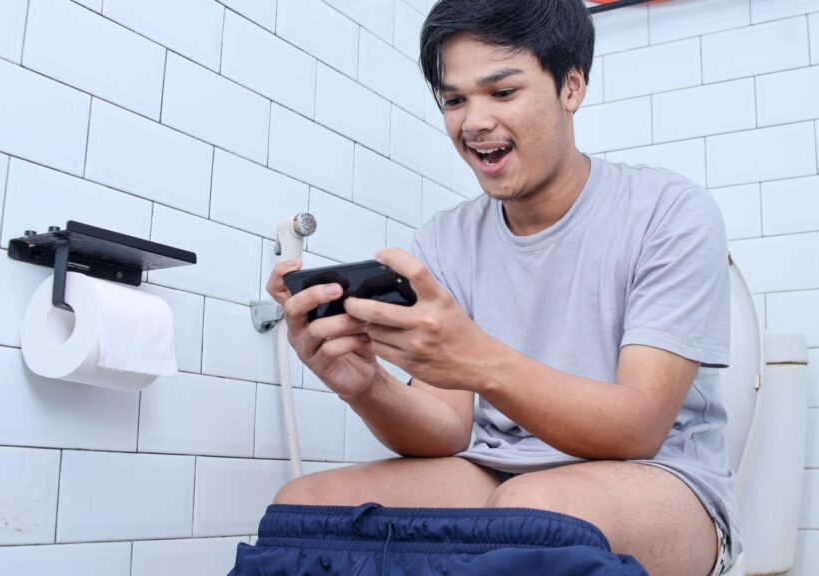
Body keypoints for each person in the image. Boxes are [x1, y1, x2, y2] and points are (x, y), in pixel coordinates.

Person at [267, 1, 737, 574]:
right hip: (493, 473)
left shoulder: (669, 212)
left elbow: (638, 426)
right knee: (304, 509)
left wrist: (476, 358)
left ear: (571, 86)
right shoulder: (444, 240)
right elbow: (446, 429)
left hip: (659, 480)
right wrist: (365, 386)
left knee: (532, 515)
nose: (473, 123)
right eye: (454, 100)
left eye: (502, 92)